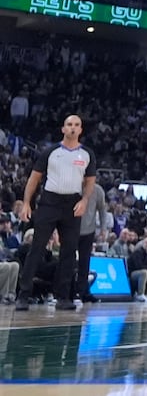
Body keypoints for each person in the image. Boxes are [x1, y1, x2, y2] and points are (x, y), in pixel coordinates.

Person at [14, 114, 96, 311]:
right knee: (37, 247)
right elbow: (34, 179)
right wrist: (26, 203)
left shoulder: (87, 154)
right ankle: (23, 294)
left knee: (68, 252)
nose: (73, 128)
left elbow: (90, 181)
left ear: (81, 129)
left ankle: (63, 297)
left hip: (73, 203)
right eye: (69, 125)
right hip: (50, 201)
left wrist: (84, 200)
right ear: (63, 129)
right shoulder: (50, 152)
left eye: (76, 125)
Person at [74, 177, 109, 303]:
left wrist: (103, 229)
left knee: (85, 263)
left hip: (89, 230)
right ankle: (67, 292)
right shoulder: (73, 187)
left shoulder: (98, 190)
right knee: (69, 261)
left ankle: (84, 292)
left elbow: (102, 211)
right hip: (72, 229)